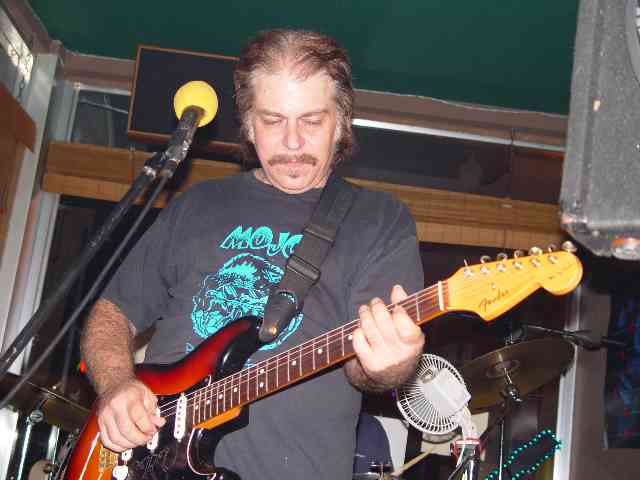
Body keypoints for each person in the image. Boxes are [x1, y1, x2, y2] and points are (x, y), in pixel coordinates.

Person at [81, 28, 425, 480]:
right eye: (273, 120)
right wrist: (116, 385)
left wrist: (393, 364)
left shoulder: (378, 221)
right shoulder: (198, 204)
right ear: (247, 123)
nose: (292, 142)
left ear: (341, 123)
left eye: (312, 121)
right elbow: (111, 313)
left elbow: (366, 371)